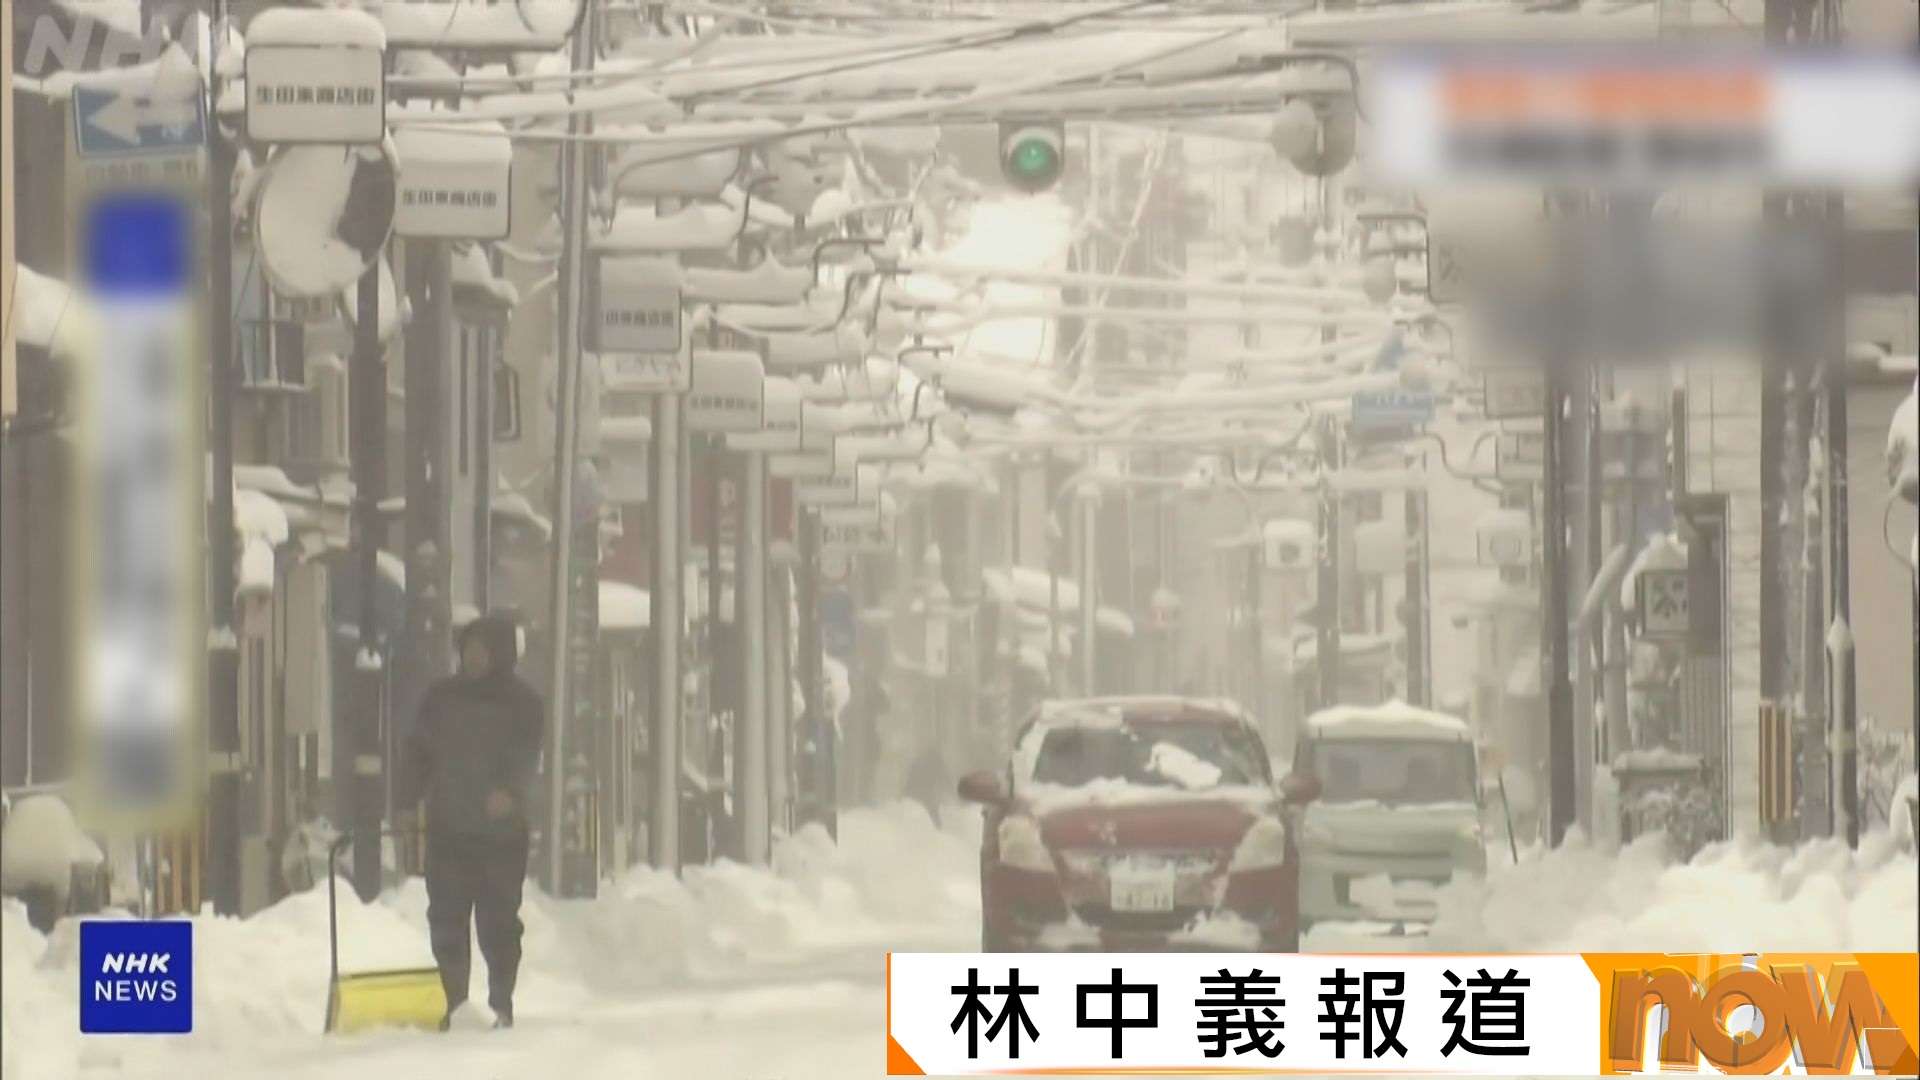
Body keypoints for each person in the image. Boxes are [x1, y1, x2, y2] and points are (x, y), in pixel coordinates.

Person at [399, 614, 544, 1031]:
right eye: (468, 648)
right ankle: (455, 1001)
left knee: (499, 922)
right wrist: (406, 801)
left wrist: (510, 792)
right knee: (445, 918)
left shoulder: (523, 703)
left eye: (483, 650)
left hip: (501, 837)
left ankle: (501, 1002)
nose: (473, 657)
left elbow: (527, 755)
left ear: (501, 653)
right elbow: (418, 752)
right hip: (448, 829)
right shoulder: (441, 699)